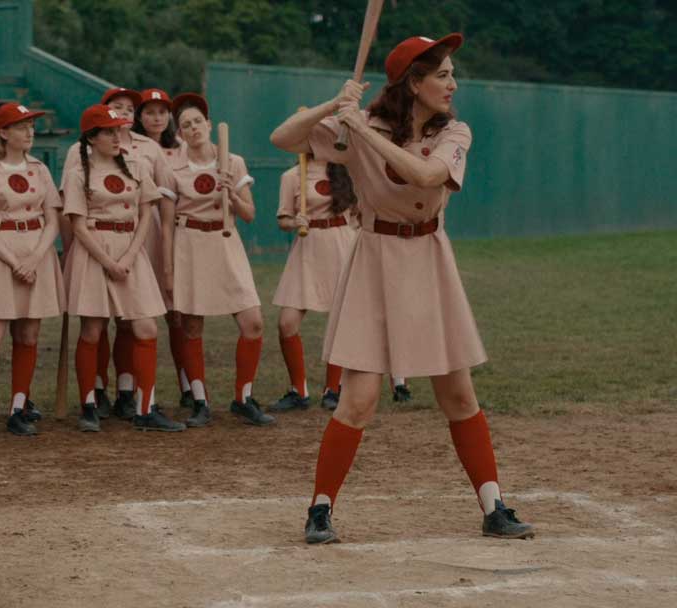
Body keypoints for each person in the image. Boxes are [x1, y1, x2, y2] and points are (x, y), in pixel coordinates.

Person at [269, 33, 534, 543]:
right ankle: (320, 509)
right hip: (374, 259)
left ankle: (493, 505)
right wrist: (336, 103)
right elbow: (284, 138)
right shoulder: (360, 124)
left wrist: (360, 134)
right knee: (359, 400)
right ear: (413, 83)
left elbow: (425, 173)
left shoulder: (454, 132)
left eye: (451, 73)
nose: (452, 84)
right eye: (441, 75)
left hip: (430, 259)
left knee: (458, 394)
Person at [62, 104, 184, 433]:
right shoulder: (78, 173)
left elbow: (147, 213)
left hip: (132, 251)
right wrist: (108, 262)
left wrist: (129, 256)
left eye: (119, 131)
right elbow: (78, 224)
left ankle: (146, 407)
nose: (118, 137)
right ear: (92, 137)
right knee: (92, 330)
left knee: (146, 329)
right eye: (109, 132)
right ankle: (89, 405)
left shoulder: (133, 165)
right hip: (94, 253)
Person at [163, 93, 275, 428]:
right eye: (186, 125)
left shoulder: (232, 161)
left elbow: (250, 214)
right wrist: (168, 270)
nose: (193, 128)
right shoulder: (172, 168)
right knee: (192, 325)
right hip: (189, 244)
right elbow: (166, 224)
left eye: (198, 121)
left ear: (209, 125)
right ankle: (200, 401)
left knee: (253, 322)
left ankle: (243, 398)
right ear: (180, 133)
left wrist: (232, 192)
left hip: (226, 243)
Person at [0, 103, 65, 439]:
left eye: (31, 125)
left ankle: (19, 408)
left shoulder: (40, 169)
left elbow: (53, 218)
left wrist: (34, 258)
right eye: (21, 126)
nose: (29, 131)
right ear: (3, 132)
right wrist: (15, 261)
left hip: (35, 253)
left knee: (29, 335)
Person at [270, 154, 358, 412]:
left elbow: (357, 214)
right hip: (307, 250)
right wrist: (293, 221)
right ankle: (298, 390)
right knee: (286, 323)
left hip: (341, 244)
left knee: (341, 322)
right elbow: (283, 219)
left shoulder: (347, 171)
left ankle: (334, 388)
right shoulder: (292, 176)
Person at [134, 87, 195, 411]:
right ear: (139, 117)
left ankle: (188, 383)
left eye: (162, 112)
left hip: (178, 232)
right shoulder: (130, 147)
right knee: (137, 313)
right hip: (143, 229)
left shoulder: (182, 148)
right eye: (149, 112)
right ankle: (129, 389)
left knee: (177, 312)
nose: (157, 117)